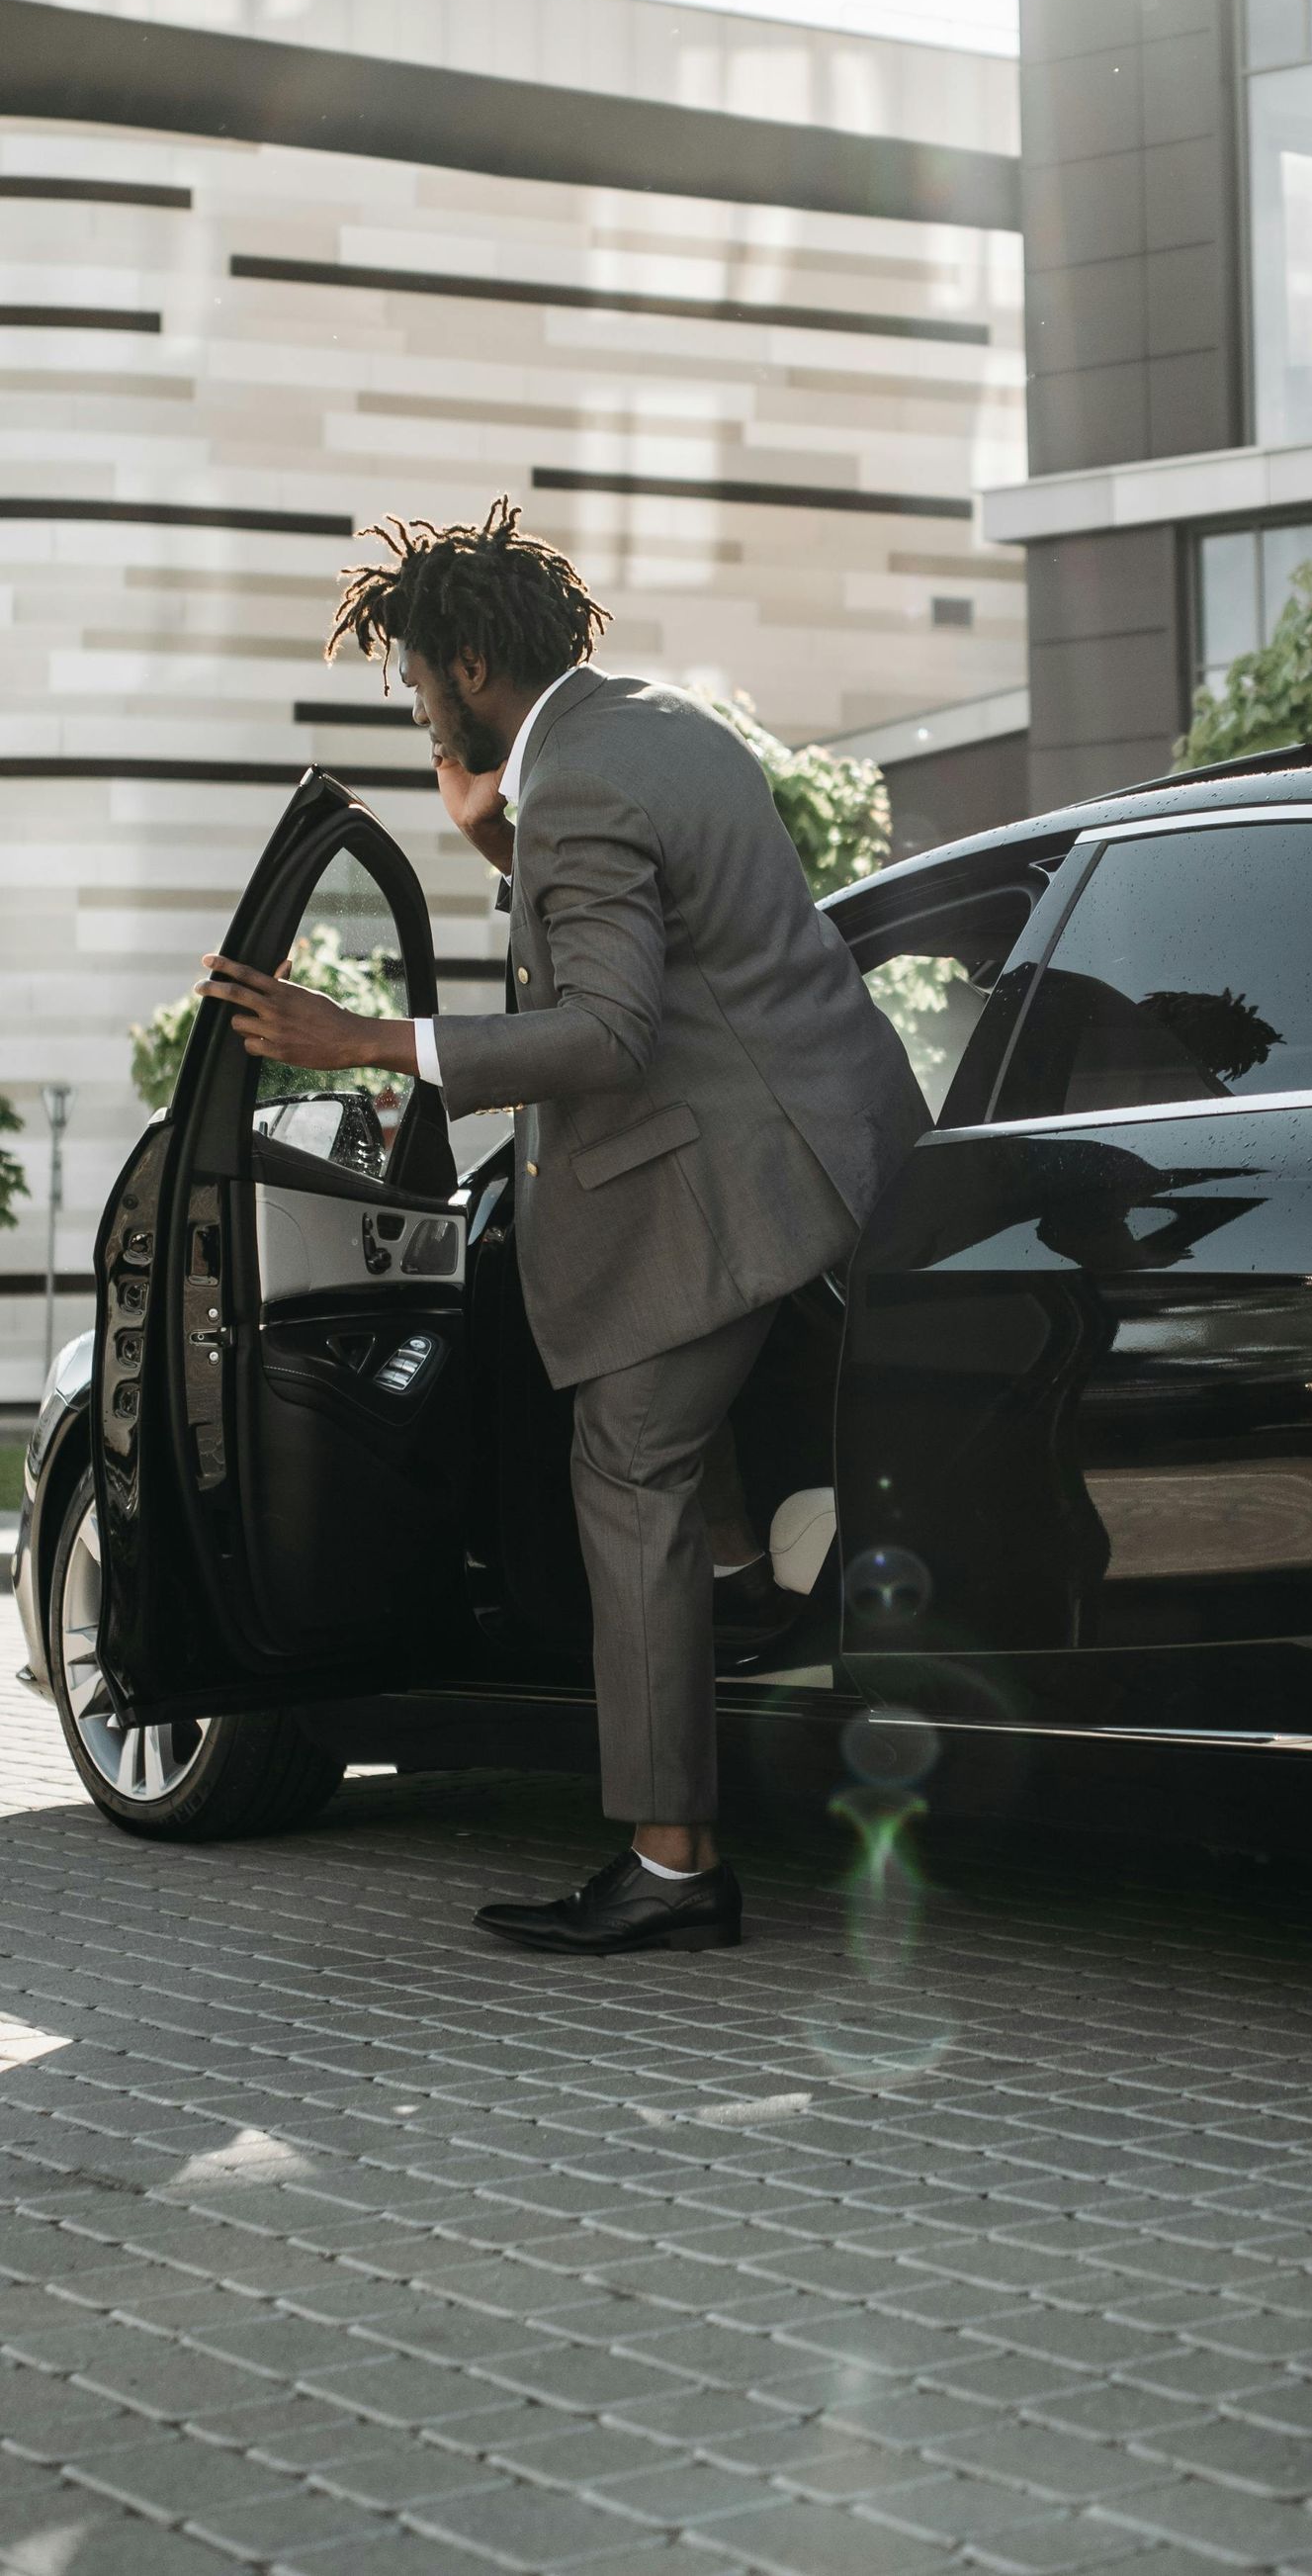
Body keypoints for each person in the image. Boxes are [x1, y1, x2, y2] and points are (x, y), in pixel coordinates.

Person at [198, 499, 927, 1956]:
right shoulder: (654, 726)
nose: (417, 711)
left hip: (745, 1177)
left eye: (416, 683)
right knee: (702, 1459)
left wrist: (361, 1041)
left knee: (628, 1467)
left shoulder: (580, 791)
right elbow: (644, 928)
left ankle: (670, 1864)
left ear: (471, 662)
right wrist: (498, 843)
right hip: (831, 1142)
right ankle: (742, 1630)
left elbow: (604, 1025)